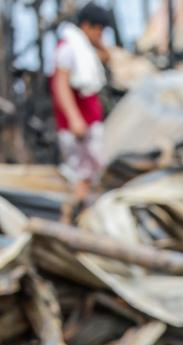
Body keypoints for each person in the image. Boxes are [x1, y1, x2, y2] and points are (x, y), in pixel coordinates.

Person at [49, 3, 112, 207]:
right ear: (86, 26)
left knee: (90, 173)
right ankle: (74, 218)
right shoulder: (69, 48)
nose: (100, 35)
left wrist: (99, 43)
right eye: (98, 29)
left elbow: (108, 57)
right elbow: (60, 84)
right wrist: (74, 118)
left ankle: (81, 214)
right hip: (78, 126)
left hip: (89, 122)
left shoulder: (84, 49)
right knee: (81, 175)